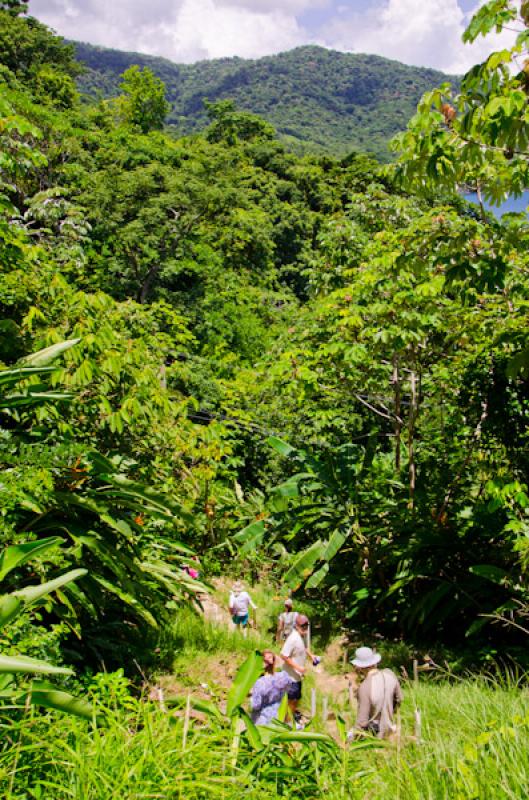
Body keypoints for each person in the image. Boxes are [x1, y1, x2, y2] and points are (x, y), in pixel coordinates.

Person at [350, 646, 403, 739]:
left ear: (360, 667)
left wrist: (352, 738)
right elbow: (399, 699)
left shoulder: (364, 687)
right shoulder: (390, 674)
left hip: (375, 737)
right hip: (391, 732)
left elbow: (362, 722)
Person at [280, 613, 316, 715]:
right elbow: (283, 655)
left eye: (306, 625)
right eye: (302, 626)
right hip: (290, 677)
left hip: (297, 676)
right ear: (296, 626)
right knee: (291, 700)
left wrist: (311, 655)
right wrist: (298, 668)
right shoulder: (293, 638)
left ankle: (292, 717)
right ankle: (288, 722)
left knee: (296, 698)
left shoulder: (301, 636)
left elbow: (303, 648)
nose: (305, 628)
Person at [250, 650, 292, 725]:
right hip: (278, 718)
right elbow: (288, 691)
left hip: (262, 721)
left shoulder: (260, 683)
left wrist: (251, 695)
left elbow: (256, 705)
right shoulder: (284, 677)